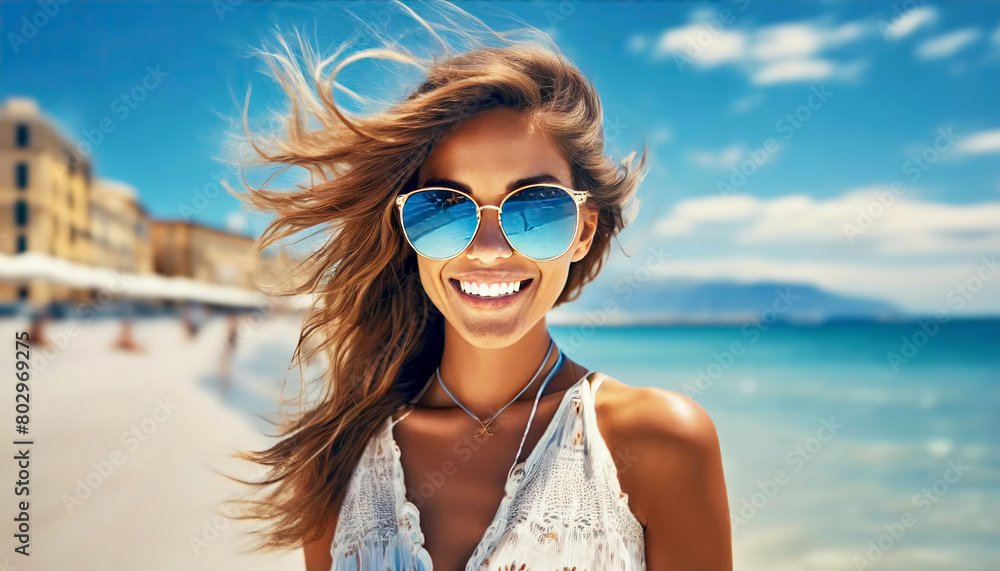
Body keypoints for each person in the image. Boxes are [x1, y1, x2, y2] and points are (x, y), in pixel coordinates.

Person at [223, 4, 731, 569]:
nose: (489, 249)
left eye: (536, 207)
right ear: (408, 232)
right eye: (443, 207)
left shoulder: (660, 443)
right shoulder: (336, 463)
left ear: (582, 231)